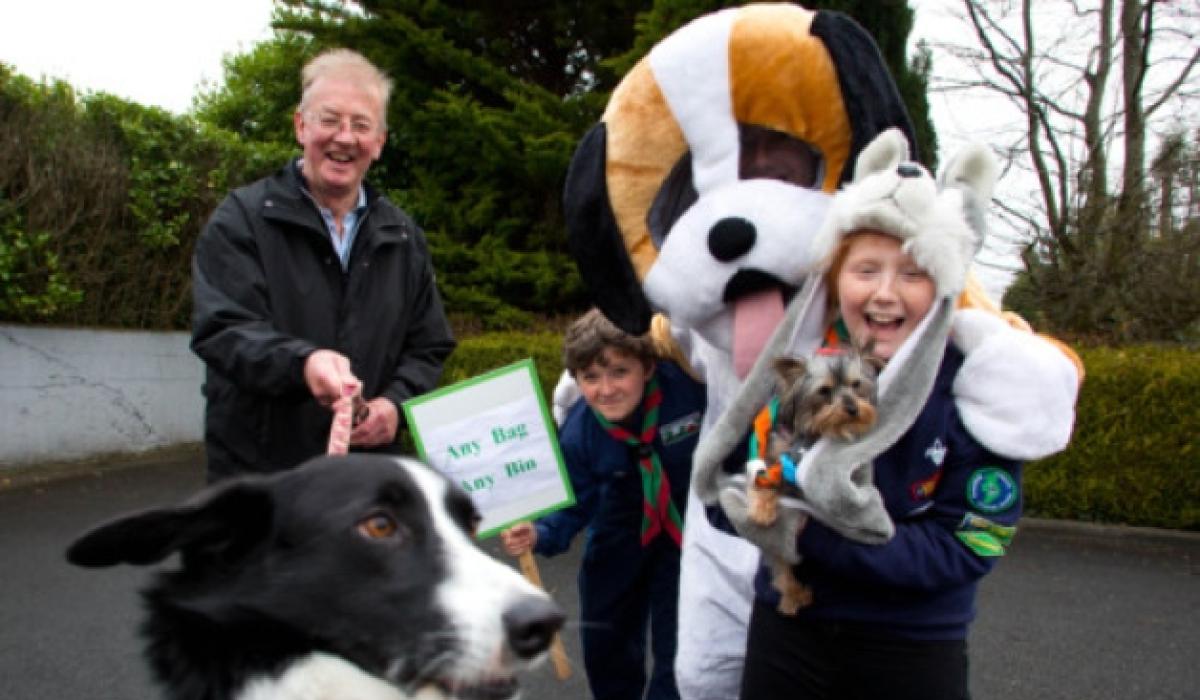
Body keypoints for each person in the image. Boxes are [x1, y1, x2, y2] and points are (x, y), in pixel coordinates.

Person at [702, 134, 1060, 700]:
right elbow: (724, 488)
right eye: (866, 270)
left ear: (943, 285)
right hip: (789, 630)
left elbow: (974, 544)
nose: (886, 294)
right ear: (835, 277)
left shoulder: (977, 386)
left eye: (914, 274)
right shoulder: (794, 370)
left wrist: (809, 536)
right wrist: (744, 506)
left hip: (912, 645)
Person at [191, 49, 455, 481]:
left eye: (361, 125)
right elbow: (224, 329)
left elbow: (428, 347)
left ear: (380, 143)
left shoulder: (404, 237)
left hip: (363, 484)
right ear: (301, 126)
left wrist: (395, 405)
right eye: (330, 119)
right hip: (261, 482)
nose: (345, 138)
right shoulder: (243, 219)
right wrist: (303, 364)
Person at [500, 309, 706, 700]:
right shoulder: (580, 433)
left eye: (619, 372)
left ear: (647, 367)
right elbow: (571, 503)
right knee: (607, 643)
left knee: (683, 648)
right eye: (590, 377)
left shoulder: (688, 390)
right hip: (618, 532)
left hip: (686, 533)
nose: (606, 389)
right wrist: (539, 532)